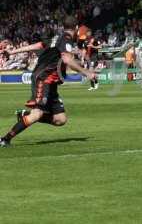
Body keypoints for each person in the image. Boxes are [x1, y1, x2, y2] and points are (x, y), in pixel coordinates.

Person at [0, 16, 96, 147]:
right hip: (44, 79)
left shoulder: (57, 38)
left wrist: (13, 51)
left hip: (52, 83)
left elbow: (38, 45)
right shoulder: (66, 39)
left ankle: (25, 115)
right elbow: (67, 59)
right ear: (76, 28)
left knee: (60, 119)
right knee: (37, 113)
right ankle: (5, 139)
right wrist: (87, 73)